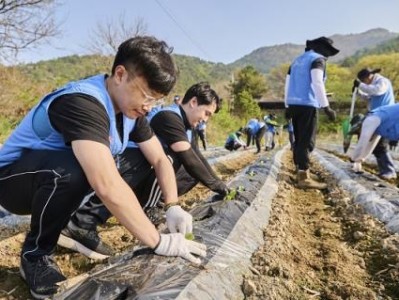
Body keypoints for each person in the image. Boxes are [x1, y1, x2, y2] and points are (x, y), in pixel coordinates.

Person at [0, 36, 207, 299]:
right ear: (120, 74)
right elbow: (105, 183)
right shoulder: (83, 102)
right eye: (146, 95)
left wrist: (173, 205)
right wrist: (158, 241)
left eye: (155, 100)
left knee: (140, 157)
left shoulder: (132, 113)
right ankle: (36, 254)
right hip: (12, 181)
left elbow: (159, 160)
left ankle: (78, 226)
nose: (148, 106)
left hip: (51, 181)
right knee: (74, 168)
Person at [59, 82, 228, 259]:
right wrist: (216, 185)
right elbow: (188, 158)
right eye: (206, 113)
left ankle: (151, 206)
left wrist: (217, 186)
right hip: (112, 167)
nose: (205, 119)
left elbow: (197, 158)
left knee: (187, 171)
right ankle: (84, 221)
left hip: (127, 172)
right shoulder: (168, 117)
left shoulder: (185, 127)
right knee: (166, 157)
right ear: (193, 102)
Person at [285, 36, 338, 189]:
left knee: (299, 138)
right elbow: (317, 82)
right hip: (308, 104)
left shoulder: (296, 61)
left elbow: (287, 84)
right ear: (321, 49)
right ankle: (303, 177)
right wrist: (326, 107)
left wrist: (287, 105)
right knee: (307, 141)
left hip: (294, 104)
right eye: (328, 51)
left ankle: (301, 170)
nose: (328, 55)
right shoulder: (317, 60)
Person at [351, 67, 396, 178]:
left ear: (368, 77)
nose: (364, 83)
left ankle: (389, 171)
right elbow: (370, 97)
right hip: (376, 115)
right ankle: (383, 169)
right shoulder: (373, 84)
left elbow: (377, 90)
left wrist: (361, 86)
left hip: (386, 117)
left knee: (381, 144)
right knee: (372, 143)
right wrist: (358, 92)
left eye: (364, 81)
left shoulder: (382, 82)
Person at [350, 104, 399, 179]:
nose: (359, 134)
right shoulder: (377, 126)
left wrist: (354, 158)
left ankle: (390, 172)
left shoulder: (370, 120)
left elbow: (363, 140)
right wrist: (359, 159)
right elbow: (371, 144)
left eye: (357, 132)